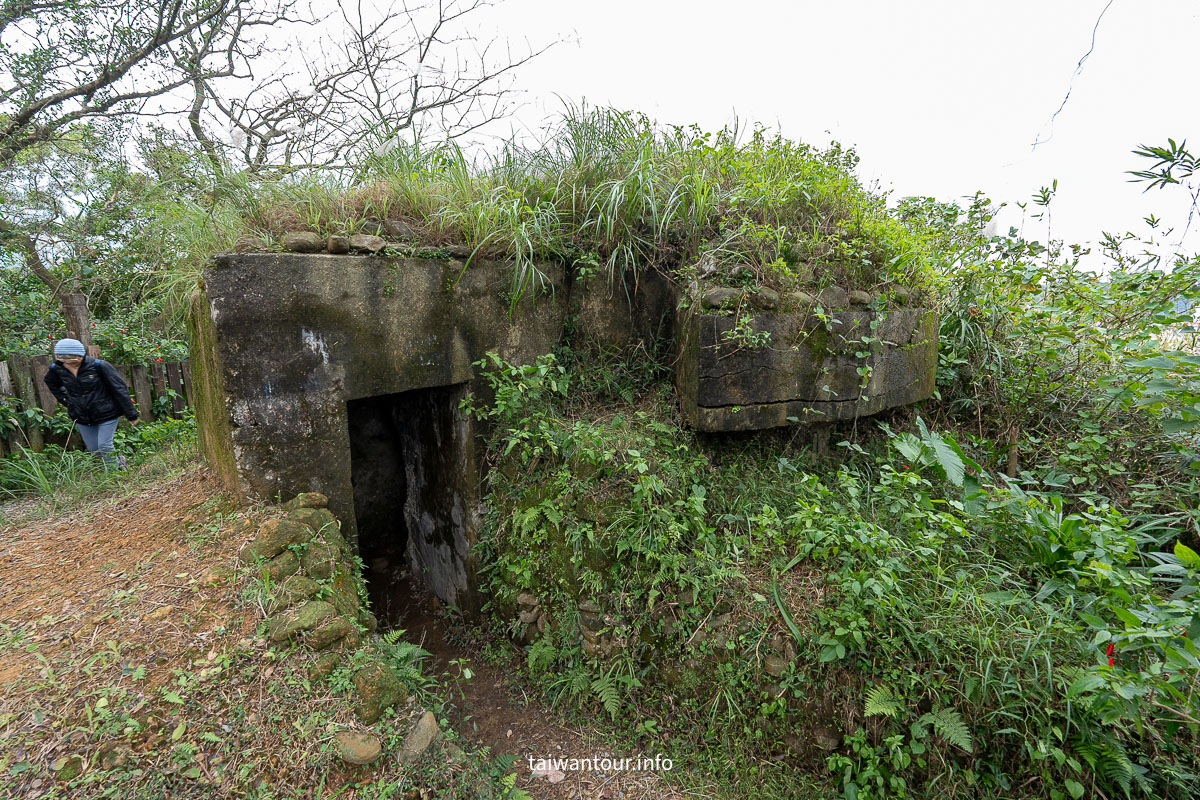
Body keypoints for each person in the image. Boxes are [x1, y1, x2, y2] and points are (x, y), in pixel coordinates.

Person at [43, 338, 140, 469]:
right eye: (64, 360)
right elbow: (51, 383)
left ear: (80, 355)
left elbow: (120, 389)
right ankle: (119, 462)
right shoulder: (57, 369)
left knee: (105, 445)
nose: (68, 363)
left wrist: (131, 415)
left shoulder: (99, 366)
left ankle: (116, 474)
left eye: (71, 359)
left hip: (107, 412)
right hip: (82, 416)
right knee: (94, 448)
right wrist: (67, 401)